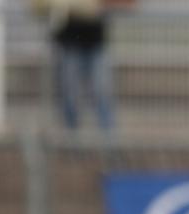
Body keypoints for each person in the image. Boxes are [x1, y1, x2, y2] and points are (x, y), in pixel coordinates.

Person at [31, 0, 134, 131]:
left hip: (96, 43)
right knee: (70, 94)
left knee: (102, 92)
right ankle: (72, 140)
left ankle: (109, 142)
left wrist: (95, 6)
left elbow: (128, 4)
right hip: (68, 44)